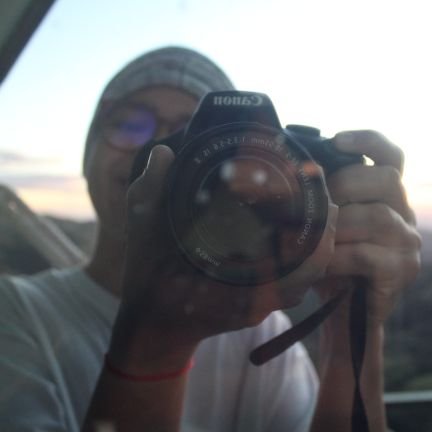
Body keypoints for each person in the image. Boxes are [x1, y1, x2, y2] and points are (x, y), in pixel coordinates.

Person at [0, 46, 421, 432]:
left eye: (190, 135)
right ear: (87, 154)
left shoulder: (262, 330)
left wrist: (354, 326)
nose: (154, 147)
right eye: (131, 123)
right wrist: (156, 340)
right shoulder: (13, 313)